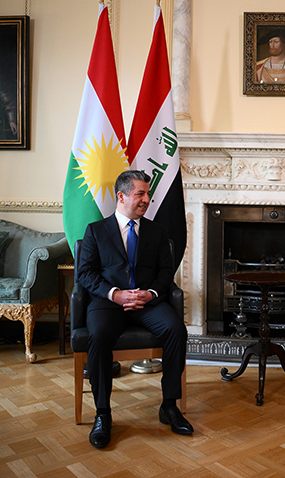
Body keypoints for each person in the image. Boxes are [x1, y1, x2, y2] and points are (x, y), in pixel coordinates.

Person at [77, 170, 192, 449]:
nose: (146, 200)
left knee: (176, 329)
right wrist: (114, 294)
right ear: (121, 196)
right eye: (140, 194)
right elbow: (85, 273)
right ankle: (103, 413)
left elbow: (166, 272)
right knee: (99, 335)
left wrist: (150, 293)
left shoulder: (157, 231)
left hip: (146, 302)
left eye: (147, 194)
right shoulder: (96, 230)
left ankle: (169, 406)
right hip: (109, 303)